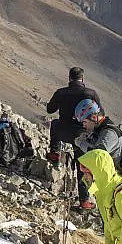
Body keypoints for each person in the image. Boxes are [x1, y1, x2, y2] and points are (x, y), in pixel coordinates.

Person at [46, 68, 103, 207]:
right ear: (82, 79)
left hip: (63, 132)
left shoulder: (61, 92)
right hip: (82, 135)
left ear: (69, 78)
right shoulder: (91, 93)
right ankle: (84, 200)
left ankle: (55, 154)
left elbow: (50, 110)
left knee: (54, 124)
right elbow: (100, 112)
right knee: (81, 166)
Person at [74, 99, 122, 211]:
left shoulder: (109, 133)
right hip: (110, 182)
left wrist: (81, 143)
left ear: (93, 117)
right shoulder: (99, 131)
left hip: (118, 183)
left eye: (85, 122)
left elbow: (98, 155)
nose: (84, 125)